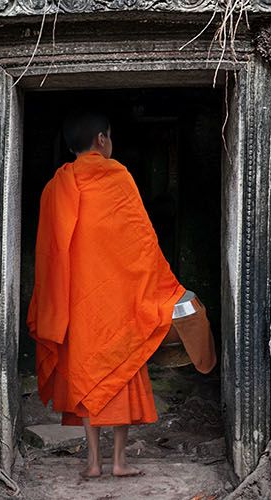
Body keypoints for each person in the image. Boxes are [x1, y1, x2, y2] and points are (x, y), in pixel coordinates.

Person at [29, 112, 213, 479]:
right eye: (110, 137)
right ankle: (118, 462)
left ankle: (93, 464)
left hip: (76, 307)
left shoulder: (54, 188)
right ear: (102, 139)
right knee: (122, 372)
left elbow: (48, 255)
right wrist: (165, 288)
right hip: (118, 304)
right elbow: (140, 245)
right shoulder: (117, 177)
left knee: (85, 375)